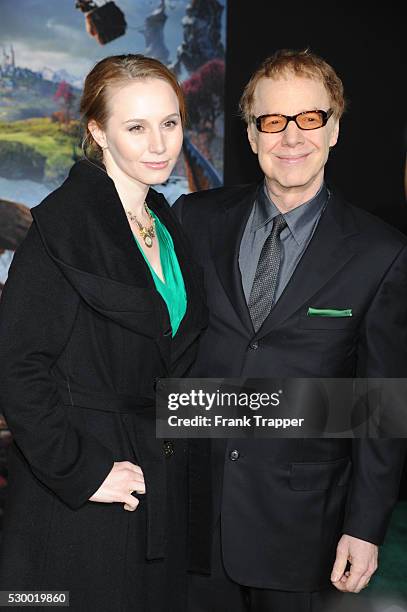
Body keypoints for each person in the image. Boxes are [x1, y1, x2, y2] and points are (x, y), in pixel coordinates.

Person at [174, 49, 407, 612]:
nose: (291, 137)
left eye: (310, 118)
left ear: (334, 129)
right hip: (190, 517)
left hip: (303, 529)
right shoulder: (193, 220)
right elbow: (167, 355)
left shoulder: (382, 253)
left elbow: (379, 404)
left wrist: (366, 526)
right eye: (272, 121)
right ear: (252, 136)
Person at [0, 54, 207, 611]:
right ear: (98, 131)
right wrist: (84, 470)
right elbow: (17, 367)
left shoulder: (166, 224)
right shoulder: (59, 229)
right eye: (135, 127)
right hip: (83, 501)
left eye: (170, 123)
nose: (160, 144)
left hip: (156, 481)